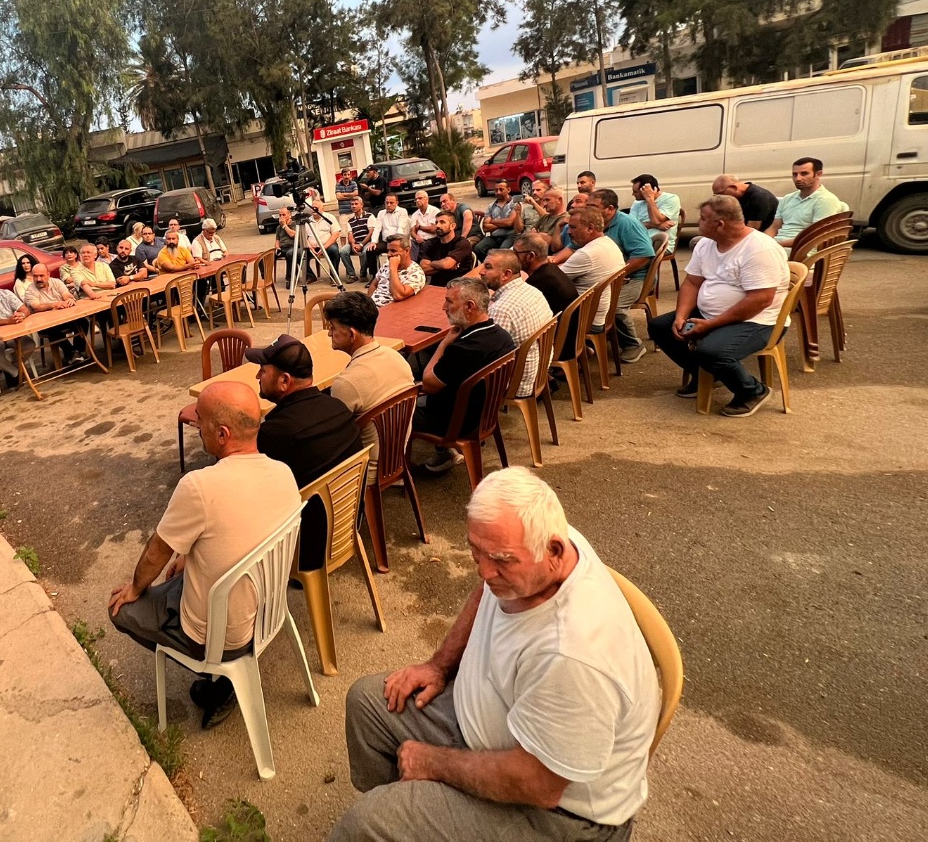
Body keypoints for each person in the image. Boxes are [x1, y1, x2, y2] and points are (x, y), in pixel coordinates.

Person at [328, 468, 657, 842]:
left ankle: (399, 816)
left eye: (500, 559)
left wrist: (433, 763)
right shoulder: (538, 543)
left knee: (366, 824)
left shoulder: (573, 655)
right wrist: (439, 665)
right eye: (476, 552)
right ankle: (406, 808)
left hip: (558, 813)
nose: (484, 572)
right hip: (493, 726)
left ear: (553, 552)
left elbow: (540, 784)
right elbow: (486, 591)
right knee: (367, 703)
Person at [108, 382, 301, 730]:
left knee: (121, 609)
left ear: (223, 434)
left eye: (200, 420)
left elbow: (156, 552)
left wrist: (135, 588)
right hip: (266, 613)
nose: (196, 427)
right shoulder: (283, 472)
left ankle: (218, 676)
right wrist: (186, 557)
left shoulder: (199, 485)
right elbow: (236, 525)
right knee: (179, 571)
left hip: (222, 640)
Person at [648, 195, 790, 417]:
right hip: (711, 314)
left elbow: (760, 300)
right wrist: (681, 316)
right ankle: (708, 374)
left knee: (712, 351)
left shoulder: (759, 249)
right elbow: (692, 282)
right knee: (660, 327)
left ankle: (752, 391)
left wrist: (712, 324)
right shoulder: (706, 243)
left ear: (720, 224)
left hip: (757, 320)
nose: (699, 222)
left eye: (703, 218)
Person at [251, 334, 363, 572]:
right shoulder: (338, 408)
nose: (257, 377)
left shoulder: (274, 434)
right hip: (348, 527)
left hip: (304, 552)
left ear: (284, 381)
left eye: (262, 370)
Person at [416, 277, 516, 474]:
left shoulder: (465, 348)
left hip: (456, 423)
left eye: (449, 301)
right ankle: (445, 454)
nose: (444, 307)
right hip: (485, 414)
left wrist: (444, 343)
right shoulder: (502, 336)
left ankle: (390, 471)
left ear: (470, 306)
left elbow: (428, 384)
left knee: (389, 411)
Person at [325, 290, 415, 474]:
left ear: (352, 334)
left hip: (365, 472)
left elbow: (333, 440)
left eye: (333, 328)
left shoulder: (346, 383)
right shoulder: (396, 358)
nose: (329, 333)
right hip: (396, 460)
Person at [585, 189, 656, 363]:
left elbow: (643, 256)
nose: (587, 210)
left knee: (612, 307)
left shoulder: (627, 224)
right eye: (587, 206)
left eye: (593, 206)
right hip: (609, 276)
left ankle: (633, 345)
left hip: (636, 277)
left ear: (610, 209)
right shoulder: (594, 222)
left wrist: (617, 275)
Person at [478, 251, 553, 397]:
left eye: (488, 267)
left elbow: (487, 358)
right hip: (540, 373)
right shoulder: (533, 291)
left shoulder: (502, 310)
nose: (481, 272)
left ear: (506, 274)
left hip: (517, 384)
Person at [514, 232, 581, 361]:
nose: (512, 257)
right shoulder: (551, 270)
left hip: (559, 347)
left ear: (531, 256)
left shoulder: (539, 283)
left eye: (516, 253)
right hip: (571, 340)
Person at [556, 208, 624, 334]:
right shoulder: (609, 243)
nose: (569, 232)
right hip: (602, 315)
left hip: (586, 320)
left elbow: (553, 281)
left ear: (590, 228)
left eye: (573, 227)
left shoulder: (587, 254)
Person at [767, 157, 848, 246]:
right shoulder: (787, 198)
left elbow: (814, 236)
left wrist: (777, 245)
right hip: (777, 245)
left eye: (804, 174)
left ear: (818, 174)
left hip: (801, 249)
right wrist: (764, 242)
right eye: (795, 174)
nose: (798, 178)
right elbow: (774, 227)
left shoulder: (825, 200)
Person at [21, 263, 89, 364]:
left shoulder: (56, 282)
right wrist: (55, 304)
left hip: (64, 318)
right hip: (45, 323)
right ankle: (72, 353)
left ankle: (78, 351)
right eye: (35, 276)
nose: (38, 279)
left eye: (41, 275)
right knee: (52, 330)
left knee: (83, 321)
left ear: (48, 274)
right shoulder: (30, 291)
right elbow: (36, 306)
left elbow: (65, 294)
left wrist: (69, 299)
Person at [419, 212, 476, 288]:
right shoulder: (430, 244)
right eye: (436, 222)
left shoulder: (462, 243)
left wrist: (432, 263)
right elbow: (424, 269)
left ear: (452, 226)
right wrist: (446, 265)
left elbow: (446, 264)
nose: (438, 225)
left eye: (442, 222)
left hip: (459, 286)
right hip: (436, 286)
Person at [369, 235, 426, 307]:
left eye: (393, 251)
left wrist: (393, 268)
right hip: (372, 307)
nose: (389, 254)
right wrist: (369, 303)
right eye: (388, 251)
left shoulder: (416, 273)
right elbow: (374, 284)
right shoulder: (387, 264)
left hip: (390, 309)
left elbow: (398, 295)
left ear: (407, 251)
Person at [630, 174, 681, 251]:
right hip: (639, 242)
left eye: (635, 192)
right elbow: (631, 225)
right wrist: (653, 225)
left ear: (645, 191)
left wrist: (650, 198)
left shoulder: (671, 199)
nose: (633, 194)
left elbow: (656, 220)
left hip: (660, 245)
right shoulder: (637, 203)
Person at [364, 193, 411, 276]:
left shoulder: (402, 211)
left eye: (391, 203)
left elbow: (401, 228)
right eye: (387, 203)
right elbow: (377, 228)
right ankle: (374, 276)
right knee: (370, 250)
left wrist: (395, 243)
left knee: (398, 252)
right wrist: (373, 242)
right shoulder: (381, 213)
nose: (388, 205)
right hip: (385, 242)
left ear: (397, 203)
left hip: (398, 242)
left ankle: (399, 274)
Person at [712, 174, 779, 232]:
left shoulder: (758, 198)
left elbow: (752, 229)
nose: (719, 197)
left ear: (733, 188)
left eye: (720, 194)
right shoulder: (739, 195)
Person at [475, 181, 520, 257]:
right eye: (496, 190)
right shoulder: (491, 206)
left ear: (508, 190)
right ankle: (489, 263)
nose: (498, 192)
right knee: (478, 248)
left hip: (510, 236)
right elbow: (485, 227)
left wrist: (492, 221)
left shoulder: (515, 203)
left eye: (501, 189)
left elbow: (509, 223)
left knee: (502, 252)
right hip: (495, 236)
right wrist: (504, 223)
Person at [341, 196, 374, 282]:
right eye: (352, 204)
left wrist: (361, 245)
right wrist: (353, 244)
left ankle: (363, 273)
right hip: (355, 242)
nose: (354, 206)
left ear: (362, 205)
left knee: (365, 252)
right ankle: (352, 274)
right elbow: (350, 234)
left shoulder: (369, 216)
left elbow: (371, 233)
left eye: (356, 204)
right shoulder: (350, 220)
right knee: (343, 251)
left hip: (367, 242)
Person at [407, 191, 439, 260]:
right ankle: (412, 263)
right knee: (409, 245)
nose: (417, 201)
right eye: (416, 199)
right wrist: (417, 237)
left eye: (420, 198)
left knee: (423, 247)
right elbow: (412, 232)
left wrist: (419, 227)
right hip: (418, 240)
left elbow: (434, 229)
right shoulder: (414, 214)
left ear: (427, 199)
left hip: (432, 239)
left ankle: (419, 263)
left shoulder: (435, 211)